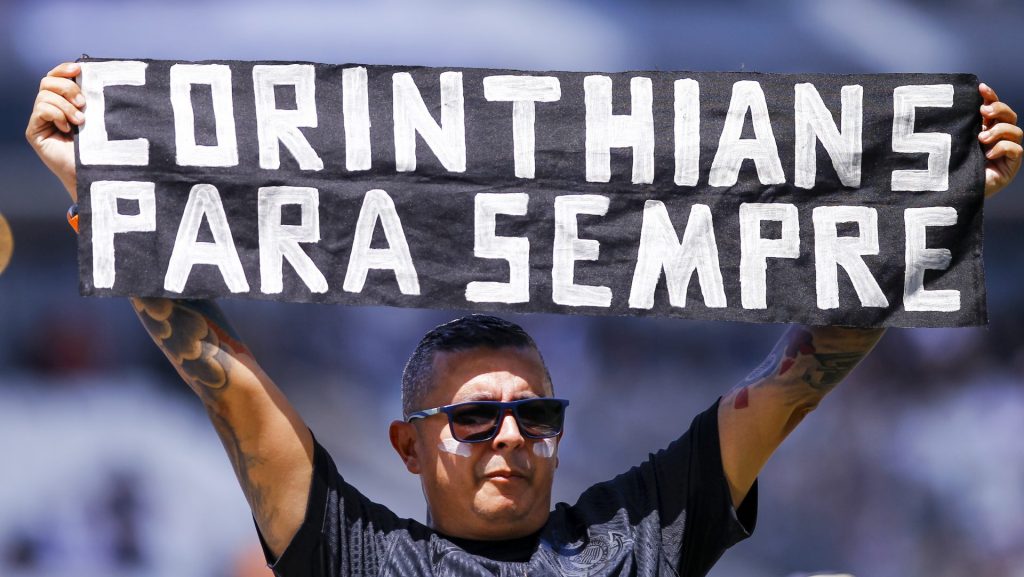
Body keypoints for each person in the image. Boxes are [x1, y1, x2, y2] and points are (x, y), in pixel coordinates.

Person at [26, 61, 1022, 577]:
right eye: (473, 417)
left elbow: (799, 371)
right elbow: (231, 382)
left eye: (534, 413)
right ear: (406, 446)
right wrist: (111, 199)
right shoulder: (355, 555)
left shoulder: (638, 535)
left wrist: (934, 207)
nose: (511, 434)